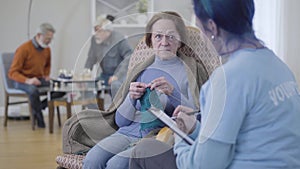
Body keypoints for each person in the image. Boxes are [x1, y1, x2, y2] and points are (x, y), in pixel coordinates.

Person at [130, 0, 300, 169]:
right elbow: (245, 133)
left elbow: (203, 165)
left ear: (212, 27)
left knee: (144, 149)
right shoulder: (278, 65)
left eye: (199, 27)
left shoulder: (227, 79)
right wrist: (195, 128)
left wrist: (179, 135)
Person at [83, 11, 209, 169]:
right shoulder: (140, 69)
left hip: (158, 136)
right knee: (91, 160)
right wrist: (131, 97)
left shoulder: (190, 70)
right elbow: (120, 121)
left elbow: (197, 116)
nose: (164, 42)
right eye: (158, 36)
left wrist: (173, 94)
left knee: (115, 165)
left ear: (180, 40)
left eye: (171, 36)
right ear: (151, 39)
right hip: (127, 132)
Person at [8, 23, 64, 128]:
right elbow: (12, 73)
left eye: (51, 39)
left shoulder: (47, 49)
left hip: (38, 79)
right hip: (21, 80)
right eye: (47, 39)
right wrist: (28, 80)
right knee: (33, 90)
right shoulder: (23, 49)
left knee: (60, 88)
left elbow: (47, 65)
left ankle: (39, 107)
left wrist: (46, 75)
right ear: (39, 35)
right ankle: (39, 118)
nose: (49, 42)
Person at [84, 14, 133, 97]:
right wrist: (85, 74)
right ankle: (94, 110)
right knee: (89, 88)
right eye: (95, 30)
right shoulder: (94, 40)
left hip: (120, 75)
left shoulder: (119, 38)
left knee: (115, 86)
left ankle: (116, 110)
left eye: (99, 31)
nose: (96, 34)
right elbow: (91, 58)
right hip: (105, 75)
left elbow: (129, 56)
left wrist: (117, 76)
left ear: (108, 32)